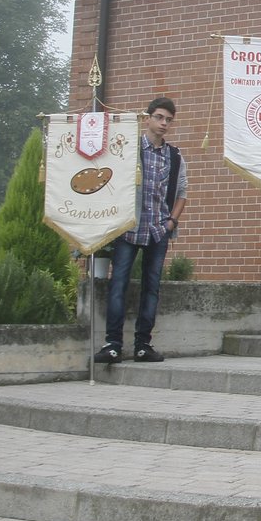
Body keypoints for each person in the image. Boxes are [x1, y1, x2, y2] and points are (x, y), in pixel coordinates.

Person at [96, 97, 187, 364]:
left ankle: (142, 345)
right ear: (147, 118)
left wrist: (171, 222)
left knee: (151, 288)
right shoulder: (128, 149)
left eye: (169, 120)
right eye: (159, 117)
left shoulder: (175, 156)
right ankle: (112, 345)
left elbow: (182, 192)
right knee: (118, 285)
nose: (164, 124)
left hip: (158, 231)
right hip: (128, 229)